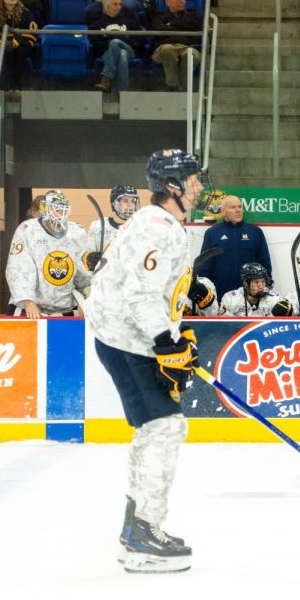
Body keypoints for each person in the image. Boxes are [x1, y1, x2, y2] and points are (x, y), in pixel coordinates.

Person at [86, 150, 206, 573]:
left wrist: (173, 333)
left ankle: (135, 530)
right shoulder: (160, 228)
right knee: (165, 427)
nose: (198, 185)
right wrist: (165, 344)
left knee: (153, 429)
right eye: (191, 179)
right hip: (127, 340)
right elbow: (139, 295)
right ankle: (143, 533)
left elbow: (145, 287)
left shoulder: (153, 221)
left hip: (122, 336)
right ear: (171, 185)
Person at [5, 190, 91, 318]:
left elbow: (81, 272)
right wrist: (28, 301)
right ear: (45, 208)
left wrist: (87, 293)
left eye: (62, 209)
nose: (60, 213)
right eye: (56, 209)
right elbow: (18, 267)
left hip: (66, 306)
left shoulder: (77, 232)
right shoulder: (28, 230)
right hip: (32, 307)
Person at [197, 194, 272, 303]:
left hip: (251, 298)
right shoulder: (212, 233)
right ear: (223, 212)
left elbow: (265, 266)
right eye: (232, 207)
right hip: (220, 297)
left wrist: (265, 289)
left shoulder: (256, 232)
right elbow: (204, 270)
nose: (237, 210)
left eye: (239, 207)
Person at [88, 0, 144, 93]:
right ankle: (123, 93)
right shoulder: (98, 24)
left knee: (115, 41)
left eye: (120, 4)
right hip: (107, 53)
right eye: (115, 4)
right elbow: (95, 43)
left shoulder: (129, 21)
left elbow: (141, 40)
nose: (119, 7)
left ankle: (106, 79)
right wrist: (110, 42)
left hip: (130, 50)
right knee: (122, 55)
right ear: (107, 5)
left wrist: (120, 39)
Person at [149, 0, 201, 91]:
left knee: (191, 54)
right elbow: (159, 29)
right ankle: (173, 86)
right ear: (167, 1)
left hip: (186, 46)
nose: (182, 1)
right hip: (164, 47)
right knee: (168, 49)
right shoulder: (159, 17)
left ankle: (185, 87)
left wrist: (170, 25)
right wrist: (181, 28)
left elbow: (191, 24)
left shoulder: (192, 14)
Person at [85, 185, 140, 269]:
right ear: (114, 203)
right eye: (125, 201)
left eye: (133, 201)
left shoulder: (140, 228)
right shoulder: (98, 226)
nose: (130, 205)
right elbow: (86, 254)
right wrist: (91, 258)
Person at [218, 262, 294, 317]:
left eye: (263, 281)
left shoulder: (275, 299)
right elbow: (225, 326)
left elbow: (291, 319)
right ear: (245, 283)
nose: (261, 286)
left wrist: (288, 312)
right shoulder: (230, 298)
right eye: (256, 282)